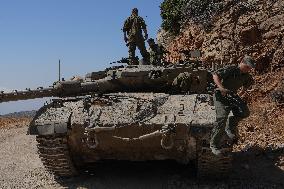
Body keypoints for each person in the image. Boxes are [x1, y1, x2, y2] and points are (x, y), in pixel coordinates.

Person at [210, 55, 255, 156]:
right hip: (220, 96)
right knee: (222, 117)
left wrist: (241, 94)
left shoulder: (246, 75)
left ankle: (230, 126)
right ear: (242, 62)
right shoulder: (231, 69)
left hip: (232, 95)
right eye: (247, 67)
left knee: (245, 112)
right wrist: (221, 88)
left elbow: (247, 85)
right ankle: (214, 144)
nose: (248, 69)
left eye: (250, 68)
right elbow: (215, 75)